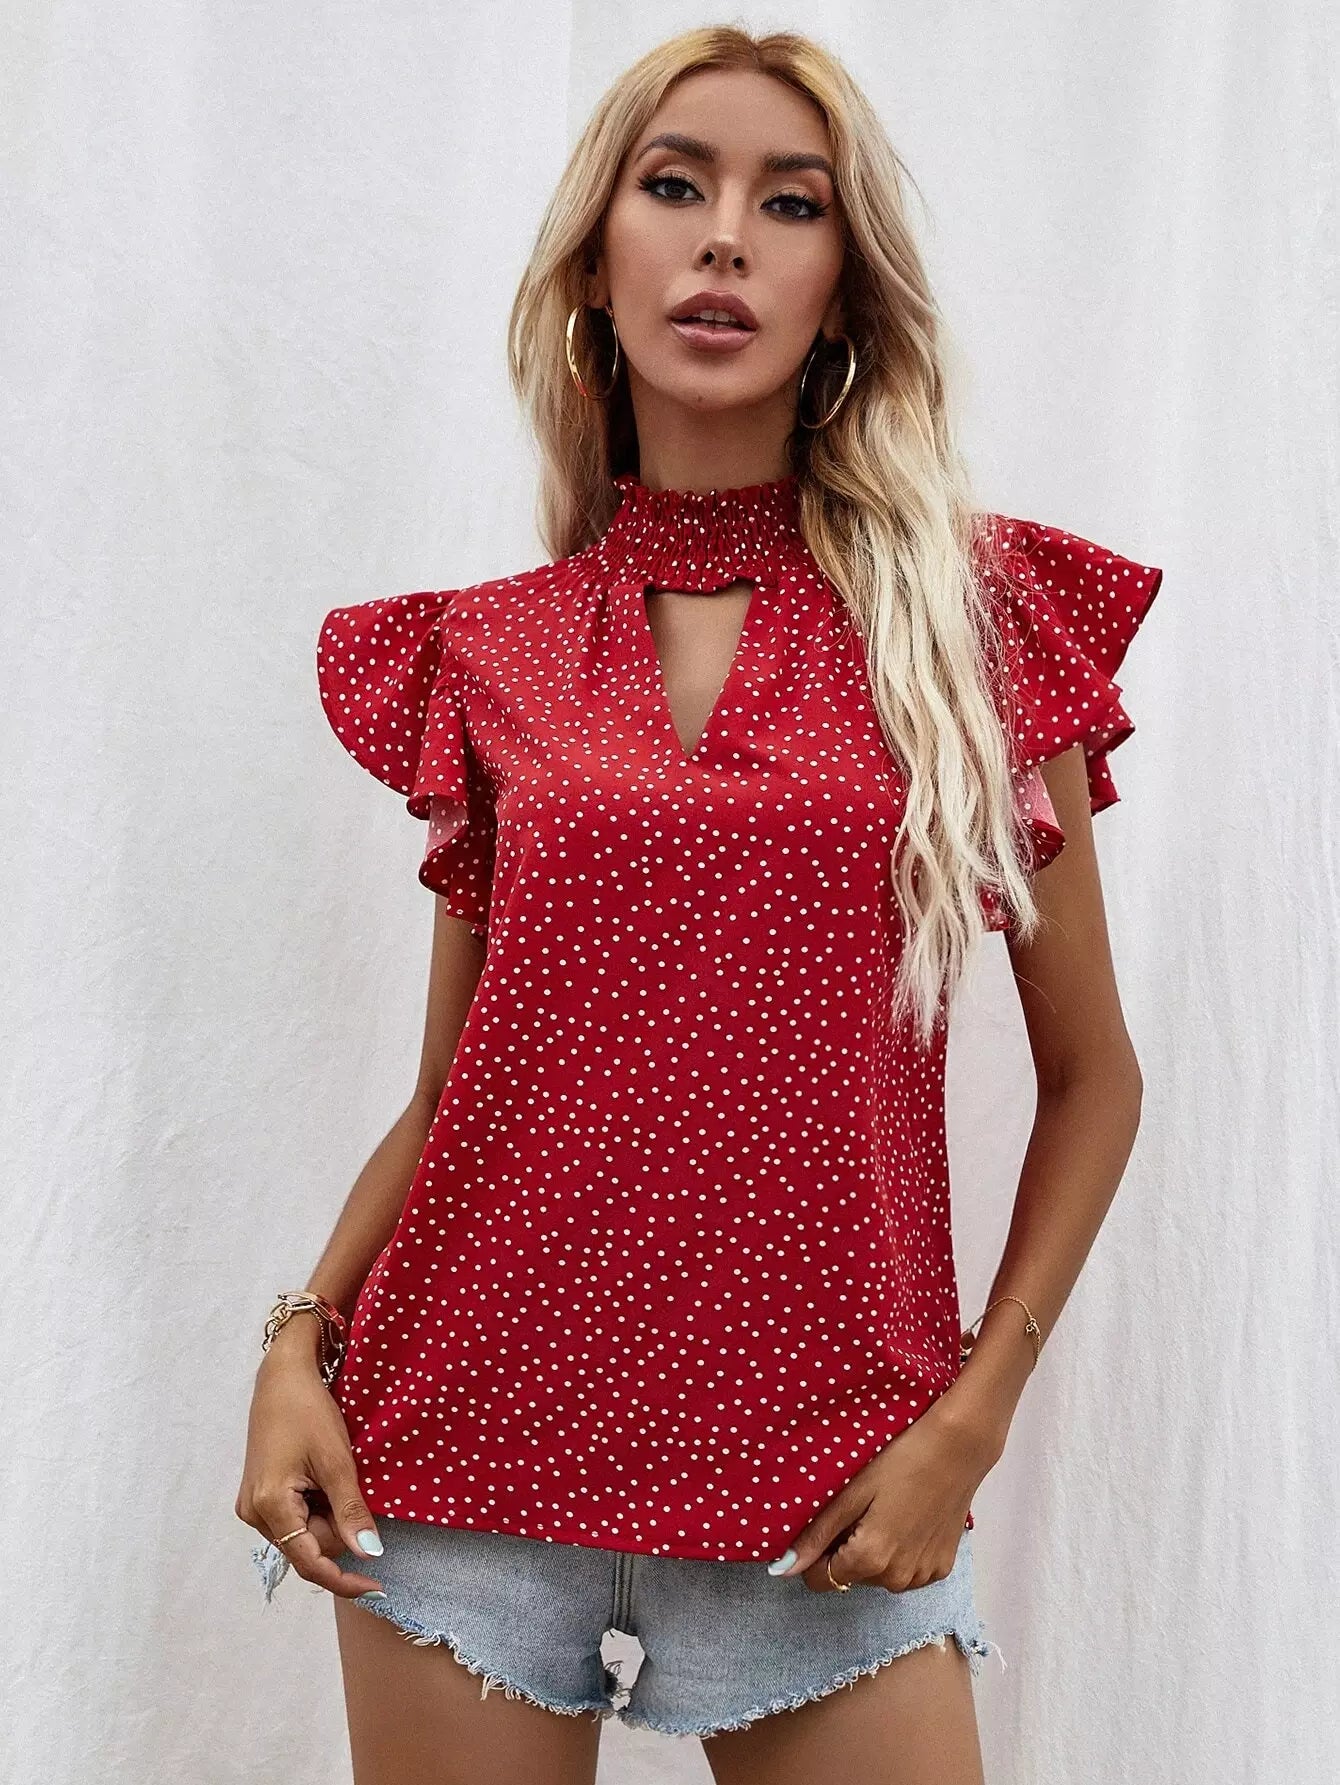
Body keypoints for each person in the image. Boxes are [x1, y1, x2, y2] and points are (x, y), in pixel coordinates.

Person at [236, 24, 1162, 1785]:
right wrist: (297, 1343)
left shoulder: (968, 629)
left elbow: (1095, 1076)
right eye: (676, 186)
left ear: (845, 292)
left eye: (789, 203)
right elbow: (455, 1094)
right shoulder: (491, 653)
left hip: (834, 1485)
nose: (726, 236)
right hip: (460, 1464)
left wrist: (972, 1422)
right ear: (598, 261)